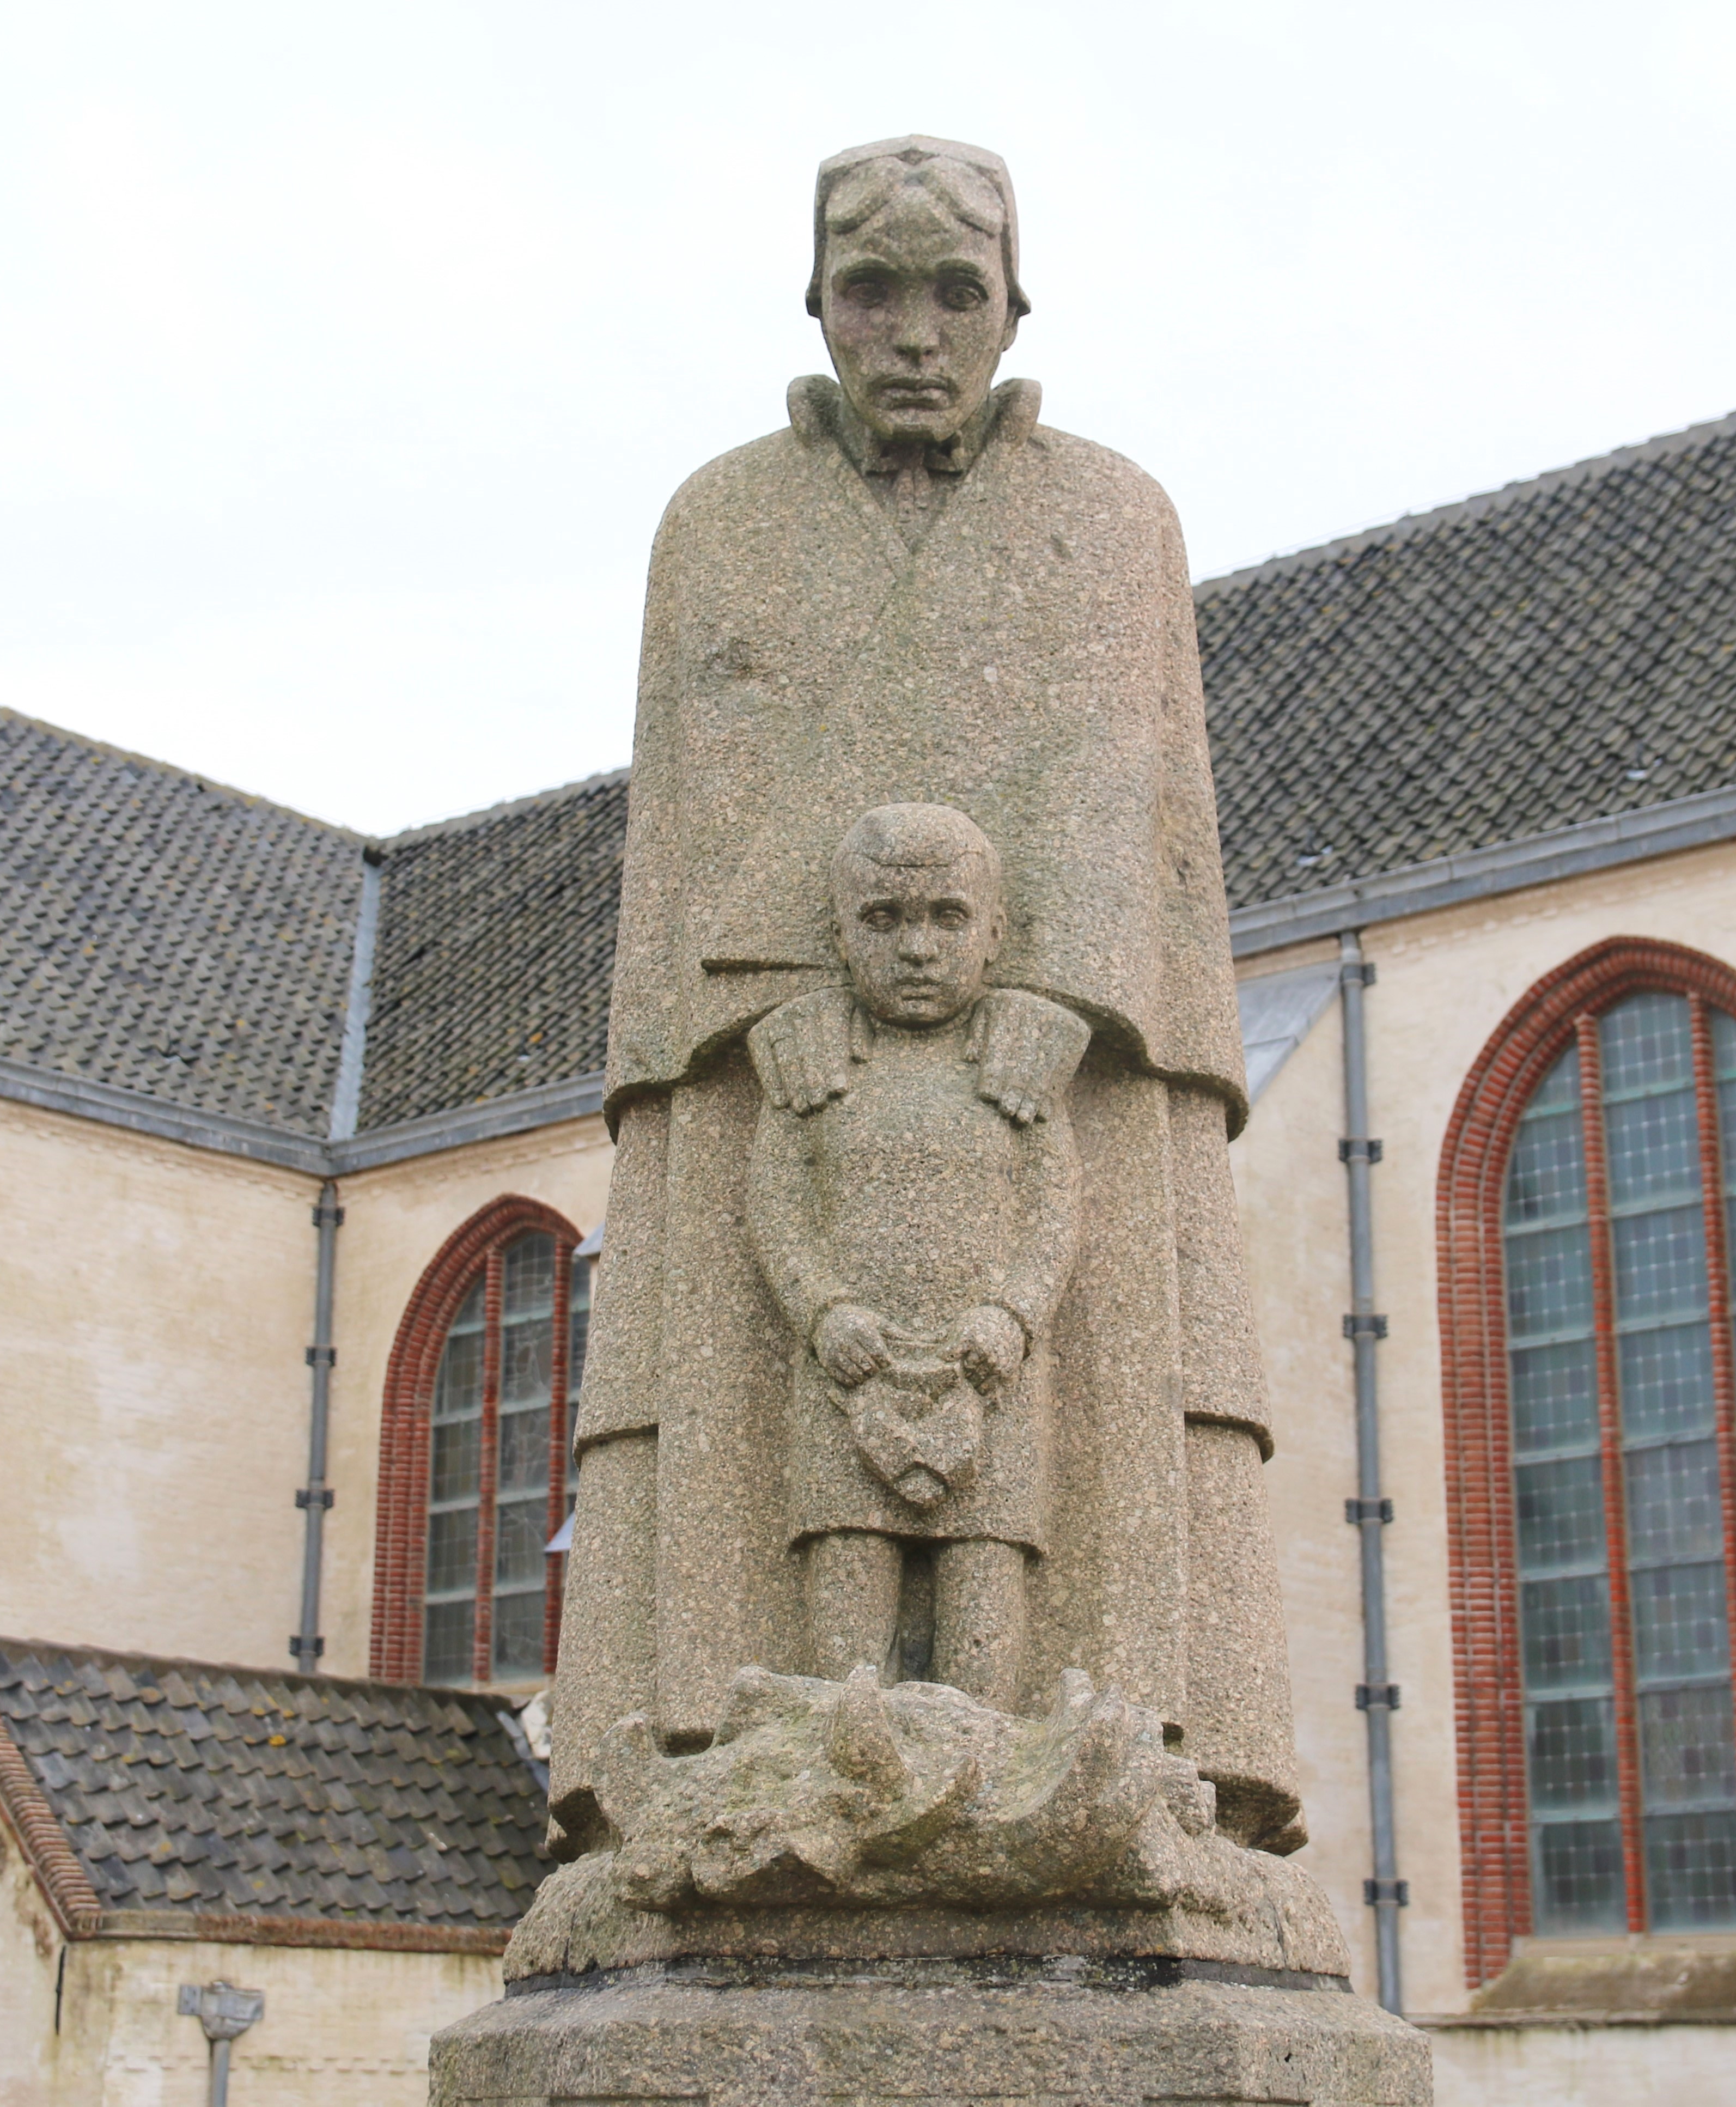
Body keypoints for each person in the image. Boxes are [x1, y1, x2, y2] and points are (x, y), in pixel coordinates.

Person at [551, 136, 1305, 1861]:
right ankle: (726, 1745)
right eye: (870, 288)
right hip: (790, 1056)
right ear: (817, 300)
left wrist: (1064, 991)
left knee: (1069, 1439)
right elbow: (695, 798)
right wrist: (746, 1009)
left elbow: (1132, 778)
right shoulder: (717, 519)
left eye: (951, 291)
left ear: (1011, 307)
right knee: (772, 1455)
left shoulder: (1112, 513)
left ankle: (1114, 1748)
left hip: (1056, 1053)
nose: (909, 331)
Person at [745, 805, 1087, 1709]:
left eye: (947, 917)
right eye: (884, 920)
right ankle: (845, 1766)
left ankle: (980, 1769)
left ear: (994, 931)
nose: (919, 950)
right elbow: (774, 1204)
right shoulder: (815, 1067)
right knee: (847, 1569)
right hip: (848, 1372)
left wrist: (1010, 1314)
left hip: (991, 1374)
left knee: (987, 1567)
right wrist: (822, 1311)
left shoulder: (1016, 1068)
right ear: (841, 933)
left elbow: (1056, 1206)